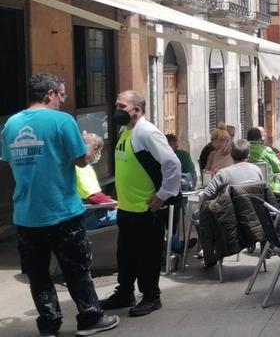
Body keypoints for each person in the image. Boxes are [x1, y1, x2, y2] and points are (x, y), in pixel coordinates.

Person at [1, 74, 118, 336]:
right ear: (49, 94)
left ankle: (49, 325)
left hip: (27, 214)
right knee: (77, 270)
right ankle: (90, 319)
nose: (62, 100)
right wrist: (89, 146)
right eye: (61, 95)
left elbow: (11, 161)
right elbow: (81, 161)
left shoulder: (11, 124)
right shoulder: (62, 121)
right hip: (62, 211)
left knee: (39, 276)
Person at [101, 90, 181, 317]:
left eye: (121, 107)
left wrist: (164, 194)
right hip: (127, 208)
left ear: (136, 110)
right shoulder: (127, 131)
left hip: (147, 209)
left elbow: (171, 163)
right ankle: (125, 292)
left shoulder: (147, 132)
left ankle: (151, 297)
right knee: (125, 255)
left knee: (147, 256)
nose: (116, 111)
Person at [77, 134, 118, 231]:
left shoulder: (81, 165)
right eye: (97, 150)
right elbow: (94, 196)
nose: (99, 153)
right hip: (91, 216)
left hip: (88, 211)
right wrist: (115, 205)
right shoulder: (82, 168)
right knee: (129, 216)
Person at [246, 127, 280, 194]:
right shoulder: (267, 150)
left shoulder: (245, 151)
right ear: (260, 138)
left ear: (247, 138)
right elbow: (278, 168)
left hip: (248, 188)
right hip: (269, 188)